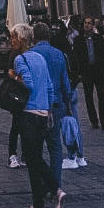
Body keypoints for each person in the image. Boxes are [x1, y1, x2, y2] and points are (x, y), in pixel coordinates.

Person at [10, 23, 63, 208]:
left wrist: (14, 77)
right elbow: (49, 86)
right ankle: (37, 207)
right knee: (34, 158)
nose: (11, 41)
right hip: (43, 112)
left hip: (29, 112)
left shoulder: (20, 59)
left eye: (13, 38)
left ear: (22, 39)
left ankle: (55, 190)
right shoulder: (40, 58)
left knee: (34, 158)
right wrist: (48, 109)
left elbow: (29, 85)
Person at [31, 22, 75, 191]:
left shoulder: (31, 54)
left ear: (34, 37)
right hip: (56, 105)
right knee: (55, 147)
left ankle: (44, 183)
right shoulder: (58, 54)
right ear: (48, 36)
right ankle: (55, 184)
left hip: (36, 106)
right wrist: (68, 103)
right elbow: (65, 82)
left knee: (36, 146)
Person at [71, 15, 104, 130]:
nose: (86, 25)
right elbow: (76, 57)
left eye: (89, 23)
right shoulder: (78, 40)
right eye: (85, 23)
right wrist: (77, 73)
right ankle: (94, 120)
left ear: (93, 25)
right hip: (86, 72)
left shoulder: (99, 38)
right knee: (88, 97)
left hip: (98, 71)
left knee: (101, 95)